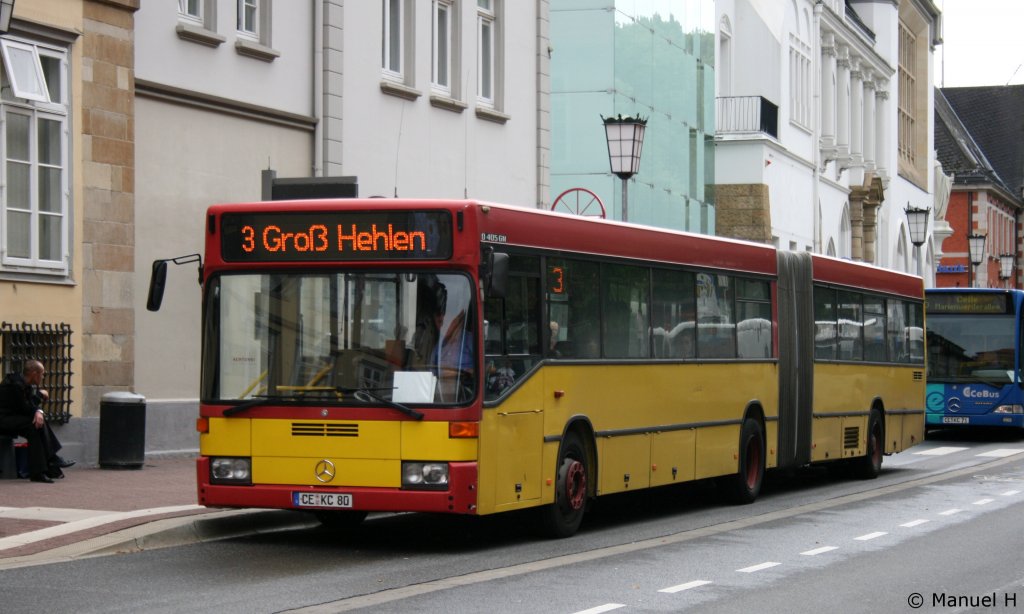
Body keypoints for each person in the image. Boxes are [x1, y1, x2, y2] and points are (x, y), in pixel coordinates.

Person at [0, 360, 74, 483]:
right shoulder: (14, 385)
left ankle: (41, 471)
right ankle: (51, 461)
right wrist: (39, 396)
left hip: (11, 419)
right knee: (35, 423)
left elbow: (29, 405)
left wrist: (38, 411)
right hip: (3, 420)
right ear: (34, 374)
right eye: (42, 374)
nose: (43, 377)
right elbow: (24, 408)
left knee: (35, 427)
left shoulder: (24, 384)